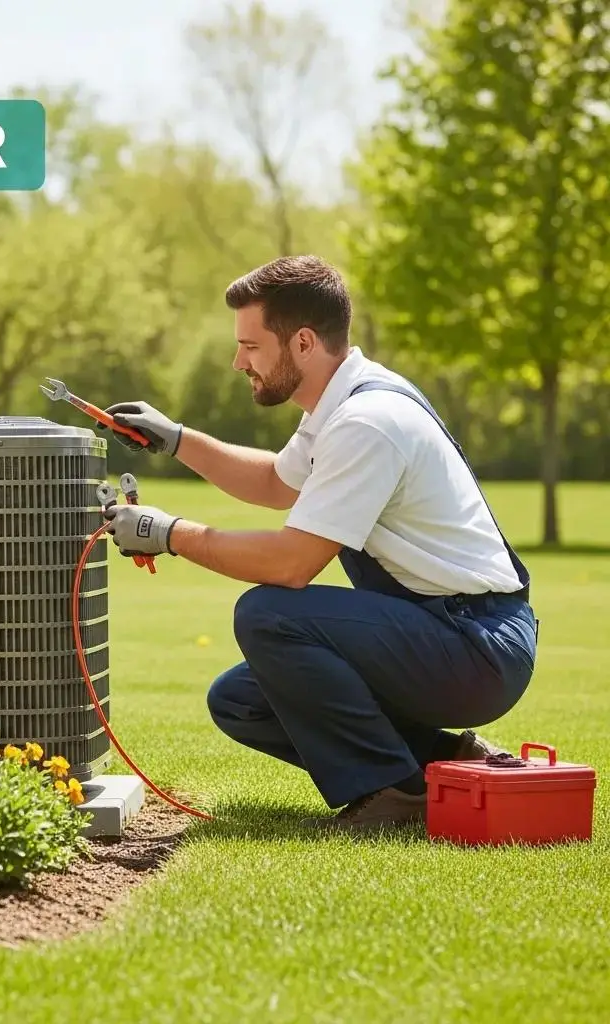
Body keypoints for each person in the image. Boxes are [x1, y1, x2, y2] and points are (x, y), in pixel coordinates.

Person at [98, 255, 538, 834]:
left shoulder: (366, 422)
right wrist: (178, 439)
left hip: (474, 647)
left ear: (303, 341)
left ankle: (395, 794)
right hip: (444, 631)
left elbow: (292, 564)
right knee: (242, 700)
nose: (238, 362)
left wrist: (169, 534)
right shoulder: (341, 401)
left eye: (251, 346)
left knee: (270, 614)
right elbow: (278, 484)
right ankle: (447, 764)